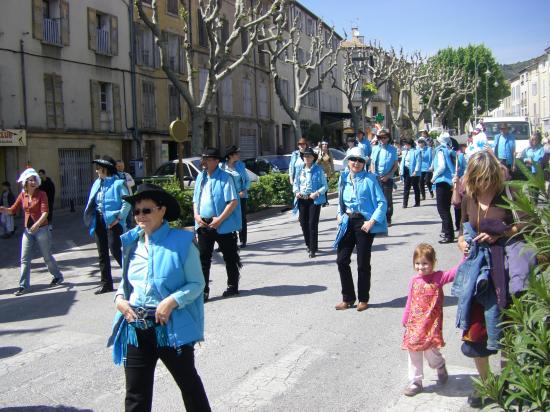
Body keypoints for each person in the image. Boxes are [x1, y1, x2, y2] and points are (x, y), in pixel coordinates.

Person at [109, 183, 211, 412]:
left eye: (147, 210)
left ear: (162, 211)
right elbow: (125, 283)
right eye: (136, 211)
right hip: (135, 328)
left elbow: (197, 283)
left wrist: (171, 301)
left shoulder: (182, 242)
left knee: (189, 387)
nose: (140, 216)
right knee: (135, 395)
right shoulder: (131, 243)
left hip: (169, 328)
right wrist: (119, 300)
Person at [454, 149, 528, 408]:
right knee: (476, 332)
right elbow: (461, 230)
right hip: (478, 274)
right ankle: (487, 385)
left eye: (488, 178)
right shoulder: (469, 198)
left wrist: (502, 233)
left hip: (504, 271)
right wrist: (462, 242)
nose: (484, 183)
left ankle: (507, 382)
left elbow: (529, 224)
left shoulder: (509, 194)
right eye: (479, 178)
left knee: (505, 330)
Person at [334, 147, 387, 311]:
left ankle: (363, 298)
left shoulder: (370, 179)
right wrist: (339, 214)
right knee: (342, 260)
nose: (356, 163)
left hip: (364, 222)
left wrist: (371, 222)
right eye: (353, 159)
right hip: (347, 221)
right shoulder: (343, 178)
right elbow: (340, 200)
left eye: (360, 160)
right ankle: (348, 298)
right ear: (348, 161)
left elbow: (382, 203)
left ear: (364, 163)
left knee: (363, 262)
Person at [402, 243, 459, 396]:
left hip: (431, 324)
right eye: (417, 263)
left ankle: (439, 364)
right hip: (415, 323)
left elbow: (455, 272)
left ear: (433, 262)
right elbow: (410, 300)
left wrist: (467, 256)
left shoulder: (438, 277)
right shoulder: (414, 281)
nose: (421, 267)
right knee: (413, 349)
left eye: (425, 263)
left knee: (430, 351)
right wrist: (405, 316)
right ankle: (416, 381)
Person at [0, 168, 64, 296]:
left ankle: (57, 276)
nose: (33, 182)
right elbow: (13, 210)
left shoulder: (42, 194)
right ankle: (23, 286)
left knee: (47, 257)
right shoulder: (23, 194)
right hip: (28, 231)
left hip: (42, 229)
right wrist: (3, 209)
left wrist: (37, 224)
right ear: (25, 182)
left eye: (35, 179)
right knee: (24, 259)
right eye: (30, 180)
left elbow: (45, 212)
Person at [193, 147, 242, 301]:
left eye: (207, 159)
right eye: (203, 159)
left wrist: (219, 220)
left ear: (216, 161)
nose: (204, 162)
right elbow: (195, 200)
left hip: (223, 223)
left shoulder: (225, 177)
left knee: (230, 257)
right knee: (203, 259)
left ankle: (232, 286)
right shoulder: (201, 177)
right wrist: (196, 216)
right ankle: (204, 291)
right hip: (204, 223)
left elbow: (233, 201)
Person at [84, 156, 131, 294]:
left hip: (113, 222)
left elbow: (127, 202)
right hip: (99, 220)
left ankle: (132, 277)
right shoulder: (97, 183)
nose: (97, 170)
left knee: (115, 249)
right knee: (102, 252)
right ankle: (106, 283)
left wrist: (119, 217)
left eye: (99, 168)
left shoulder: (118, 183)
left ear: (105, 169)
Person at [293, 147, 328, 258]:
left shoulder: (318, 170)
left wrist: (316, 193)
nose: (306, 158)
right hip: (302, 199)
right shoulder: (299, 170)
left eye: (309, 156)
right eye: (305, 156)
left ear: (313, 158)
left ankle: (312, 249)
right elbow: (295, 184)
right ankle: (309, 244)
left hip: (314, 199)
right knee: (303, 223)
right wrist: (296, 192)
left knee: (312, 224)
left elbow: (325, 186)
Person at [221, 145, 251, 248]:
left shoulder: (241, 165)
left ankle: (243, 240)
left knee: (242, 218)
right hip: (226, 197)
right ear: (230, 155)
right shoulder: (221, 167)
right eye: (237, 153)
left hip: (240, 196)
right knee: (226, 218)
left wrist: (244, 190)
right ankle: (228, 241)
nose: (239, 155)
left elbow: (247, 180)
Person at [370, 129, 398, 226]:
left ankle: (388, 218)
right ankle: (378, 218)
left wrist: (388, 176)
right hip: (376, 177)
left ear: (388, 138)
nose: (382, 139)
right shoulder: (375, 149)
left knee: (387, 199)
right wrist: (374, 175)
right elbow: (372, 163)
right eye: (380, 137)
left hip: (387, 177)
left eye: (384, 137)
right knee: (376, 199)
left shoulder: (393, 149)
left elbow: (395, 165)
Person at [432, 133, 456, 244]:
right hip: (449, 181)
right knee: (446, 209)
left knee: (442, 210)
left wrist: (433, 176)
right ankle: (449, 233)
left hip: (442, 181)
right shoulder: (448, 150)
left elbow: (441, 166)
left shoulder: (441, 150)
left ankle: (448, 235)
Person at [400, 138, 421, 208]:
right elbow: (402, 161)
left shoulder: (416, 151)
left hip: (413, 171)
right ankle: (404, 203)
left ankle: (417, 202)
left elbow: (418, 162)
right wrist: (401, 170)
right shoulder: (404, 152)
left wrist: (416, 171)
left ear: (410, 144)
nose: (405, 146)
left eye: (406, 144)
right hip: (406, 171)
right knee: (406, 187)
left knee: (415, 187)